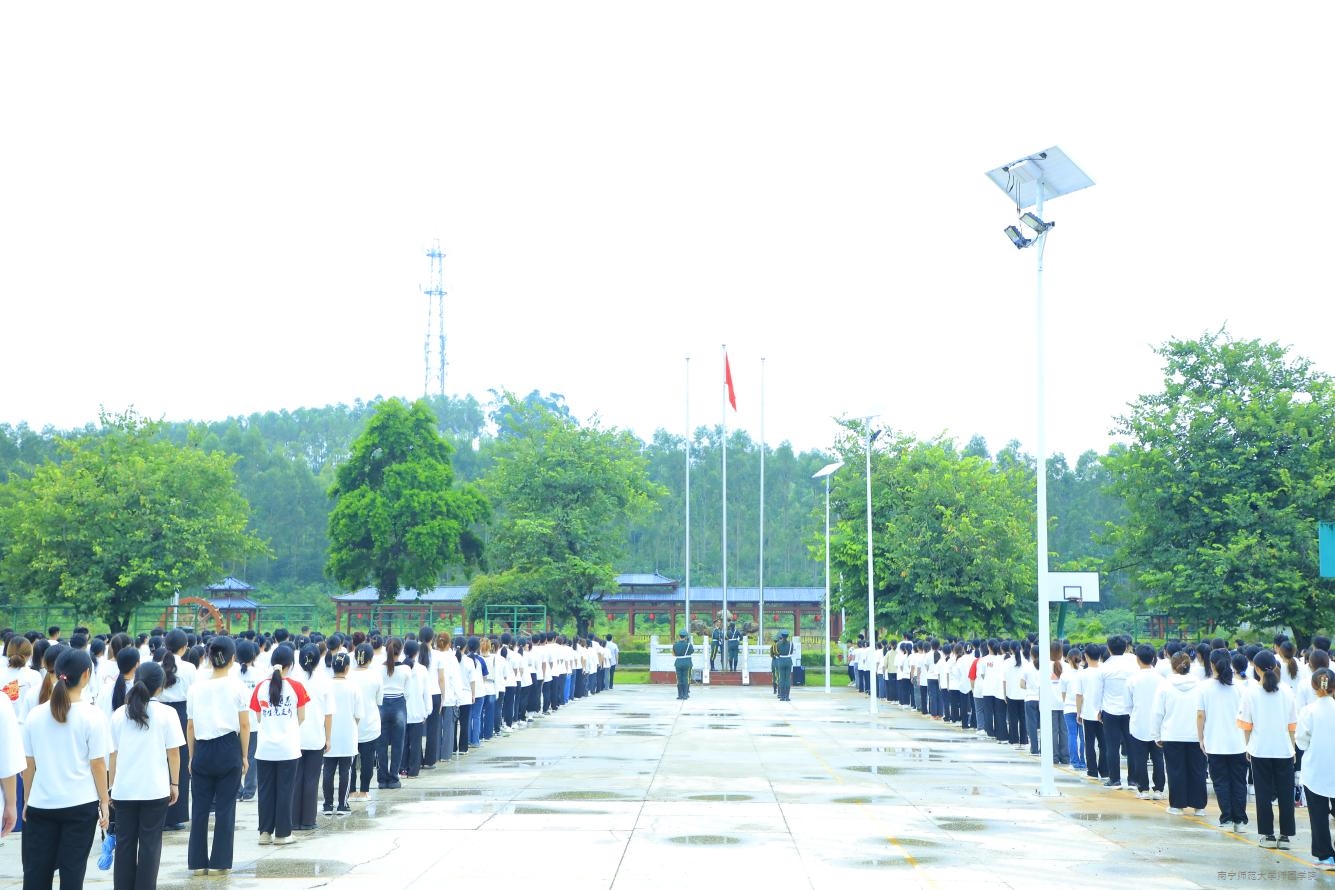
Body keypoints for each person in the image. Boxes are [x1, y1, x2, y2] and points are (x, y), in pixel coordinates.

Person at [21, 647, 112, 890]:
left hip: (41, 804)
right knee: (73, 873)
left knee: (36, 872)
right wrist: (104, 802)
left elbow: (28, 764)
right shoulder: (93, 716)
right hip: (80, 805)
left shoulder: (35, 715)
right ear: (86, 675)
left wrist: (27, 798)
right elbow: (98, 763)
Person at [109, 662, 182, 890]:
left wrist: (110, 787)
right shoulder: (168, 713)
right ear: (160, 686)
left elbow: (113, 754)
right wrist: (175, 783)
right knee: (150, 845)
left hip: (124, 790)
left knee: (124, 844)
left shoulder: (119, 714)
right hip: (155, 789)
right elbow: (173, 753)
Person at [185, 635, 250, 876]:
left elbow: (190, 726)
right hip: (228, 748)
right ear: (232, 659)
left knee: (200, 809)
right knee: (225, 808)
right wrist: (244, 756)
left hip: (202, 748)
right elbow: (244, 725)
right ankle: (219, 863)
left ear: (209, 659)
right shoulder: (238, 686)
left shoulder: (196, 688)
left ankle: (197, 863)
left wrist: (191, 756)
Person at [1239, 649, 1297, 849]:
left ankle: (1268, 835)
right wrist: (1292, 748)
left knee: (1263, 794)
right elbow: (1292, 725)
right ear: (1275, 666)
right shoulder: (1287, 691)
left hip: (1260, 749)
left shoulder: (1251, 692)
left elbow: (1246, 725)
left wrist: (1248, 746)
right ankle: (1285, 837)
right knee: (1286, 794)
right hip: (1284, 749)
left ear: (1256, 669)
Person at [250, 644, 307, 846]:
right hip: (288, 748)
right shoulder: (297, 687)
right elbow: (301, 717)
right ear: (291, 664)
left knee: (265, 791)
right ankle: (283, 834)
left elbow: (258, 717)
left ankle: (264, 833)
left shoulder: (260, 687)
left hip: (265, 748)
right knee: (285, 791)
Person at [1198, 648, 1248, 831]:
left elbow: (1200, 716)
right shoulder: (1240, 688)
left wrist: (1200, 738)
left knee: (1221, 782)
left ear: (1212, 664)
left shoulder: (1204, 687)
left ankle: (1226, 818)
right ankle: (1240, 820)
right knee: (1239, 782)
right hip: (1239, 743)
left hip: (1215, 742)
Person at [1153, 650, 1207, 815]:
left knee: (1175, 770)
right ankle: (1199, 807)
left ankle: (1177, 805)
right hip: (1196, 735)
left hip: (1172, 734)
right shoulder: (1200, 685)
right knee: (1198, 770)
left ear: (1172, 665)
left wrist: (1156, 735)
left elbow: (1157, 713)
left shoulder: (1164, 685)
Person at [155, 629, 195, 831]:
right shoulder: (189, 668)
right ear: (185, 647)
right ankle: (176, 815)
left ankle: (158, 813)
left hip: (158, 713)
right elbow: (194, 694)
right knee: (180, 761)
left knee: (160, 761)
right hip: (182, 714)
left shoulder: (156, 666)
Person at [1296, 667, 1335, 869]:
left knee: (1318, 814)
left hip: (1315, 769)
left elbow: (1301, 742)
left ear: (1313, 686)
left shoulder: (1308, 711)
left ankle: (1325, 856)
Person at [1125, 644, 1166, 800]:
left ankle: (1143, 789)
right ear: (1153, 658)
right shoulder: (1161, 679)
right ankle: (1159, 789)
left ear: (1137, 659)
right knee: (1158, 758)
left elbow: (1128, 705)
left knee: (1140, 759)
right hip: (1158, 725)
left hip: (1138, 723)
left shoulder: (1132, 679)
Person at [323, 653, 361, 816]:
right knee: (346, 771)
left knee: (328, 771)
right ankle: (342, 804)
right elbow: (358, 714)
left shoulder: (325, 685)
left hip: (328, 734)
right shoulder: (353, 687)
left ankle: (327, 804)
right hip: (347, 734)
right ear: (347, 668)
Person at [349, 644, 383, 799]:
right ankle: (364, 791)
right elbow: (379, 700)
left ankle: (350, 791)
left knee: (349, 761)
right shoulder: (376, 675)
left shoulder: (348, 674)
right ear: (370, 659)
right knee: (368, 760)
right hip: (370, 723)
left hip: (350, 724)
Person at [673, 631, 694, 700]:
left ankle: (680, 695)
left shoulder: (675, 645)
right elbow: (692, 651)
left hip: (678, 663)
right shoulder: (689, 645)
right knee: (686, 678)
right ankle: (685, 694)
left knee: (679, 679)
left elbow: (674, 654)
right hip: (687, 663)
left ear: (679, 636)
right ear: (686, 637)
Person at [774, 631, 794, 702]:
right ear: (787, 636)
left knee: (781, 679)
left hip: (781, 661)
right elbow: (791, 652)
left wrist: (780, 655)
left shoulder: (777, 644)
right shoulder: (791, 644)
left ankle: (782, 697)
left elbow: (776, 653)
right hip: (788, 661)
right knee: (787, 679)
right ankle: (787, 697)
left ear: (782, 636)